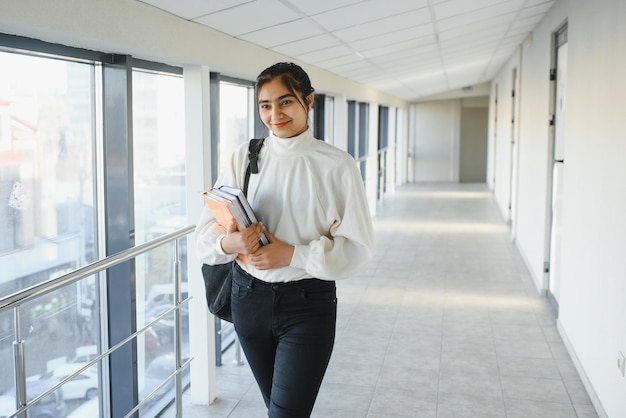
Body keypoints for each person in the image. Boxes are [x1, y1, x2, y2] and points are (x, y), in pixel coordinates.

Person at [195, 62, 374, 417]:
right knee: (278, 409)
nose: (274, 114)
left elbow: (358, 248)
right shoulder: (244, 158)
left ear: (309, 101)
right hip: (248, 299)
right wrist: (233, 245)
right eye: (265, 105)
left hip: (308, 304)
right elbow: (204, 236)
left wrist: (291, 254)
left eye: (285, 102)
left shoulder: (338, 166)